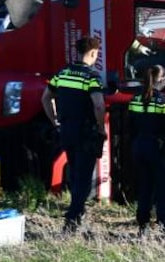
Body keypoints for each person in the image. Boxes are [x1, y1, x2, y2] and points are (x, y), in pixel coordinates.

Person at [41, 36, 107, 233]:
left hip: (67, 131)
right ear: (94, 53)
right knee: (84, 177)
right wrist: (101, 127)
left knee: (75, 172)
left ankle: (75, 213)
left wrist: (54, 121)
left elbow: (46, 98)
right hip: (86, 132)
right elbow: (98, 104)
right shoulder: (91, 77)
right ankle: (73, 218)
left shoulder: (62, 73)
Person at [127, 65, 165, 234]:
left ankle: (143, 224)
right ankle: (164, 224)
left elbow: (130, 126)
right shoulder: (163, 100)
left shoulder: (135, 98)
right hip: (158, 148)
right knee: (163, 187)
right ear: (163, 79)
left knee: (145, 186)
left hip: (139, 146)